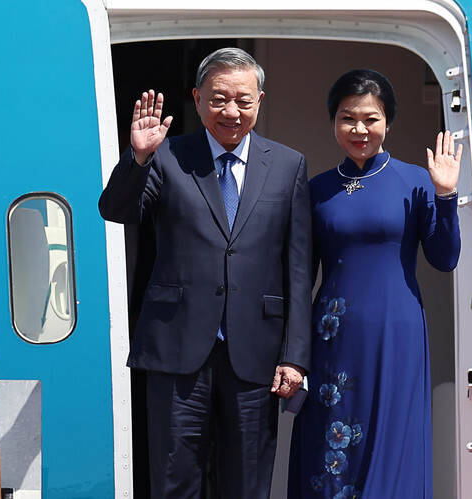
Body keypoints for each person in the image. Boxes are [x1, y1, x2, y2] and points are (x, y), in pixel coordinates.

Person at [99, 47, 312, 499]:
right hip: (177, 349)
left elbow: (297, 266)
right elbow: (117, 210)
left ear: (260, 100)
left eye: (243, 100)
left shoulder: (288, 164)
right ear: (197, 99)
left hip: (256, 353)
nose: (231, 111)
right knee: (174, 481)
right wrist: (138, 157)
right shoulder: (167, 155)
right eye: (218, 99)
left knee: (248, 483)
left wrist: (295, 355)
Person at [288, 69, 462, 498]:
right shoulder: (316, 190)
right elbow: (300, 276)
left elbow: (445, 259)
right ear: (333, 122)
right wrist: (293, 353)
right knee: (330, 447)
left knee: (393, 441)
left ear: (388, 122)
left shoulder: (417, 181)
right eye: (347, 118)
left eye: (371, 119)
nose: (359, 129)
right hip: (333, 336)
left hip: (396, 332)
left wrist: (445, 196)